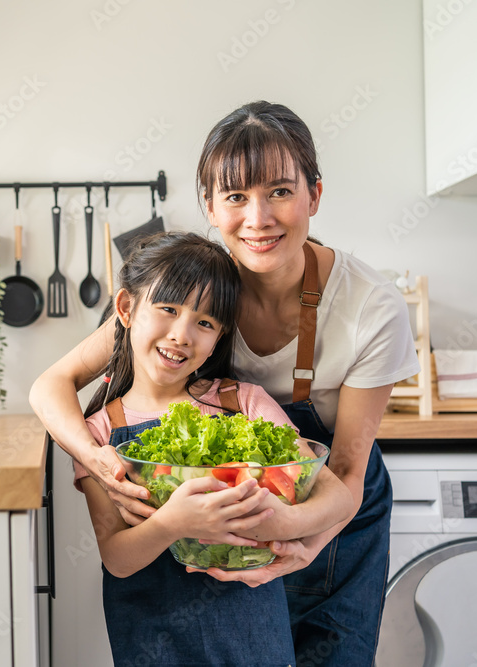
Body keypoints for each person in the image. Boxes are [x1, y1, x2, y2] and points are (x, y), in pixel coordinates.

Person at [30, 101, 420, 666]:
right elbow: (52, 384)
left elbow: (345, 472)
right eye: (235, 196)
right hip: (229, 523)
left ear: (314, 194)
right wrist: (97, 459)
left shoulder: (370, 307)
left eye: (280, 192)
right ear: (210, 205)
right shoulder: (195, 287)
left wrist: (292, 532)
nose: (258, 218)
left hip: (328, 510)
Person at [77, 231, 353, 667]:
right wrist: (172, 523)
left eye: (205, 323)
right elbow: (117, 558)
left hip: (253, 631)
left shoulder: (243, 402)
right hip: (154, 636)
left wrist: (286, 521)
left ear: (219, 337)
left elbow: (336, 493)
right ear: (127, 309)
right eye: (168, 309)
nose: (182, 335)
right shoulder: (98, 433)